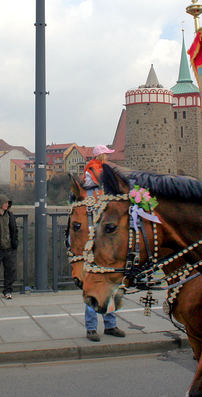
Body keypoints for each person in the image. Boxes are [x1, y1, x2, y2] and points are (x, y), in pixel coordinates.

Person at [82, 145, 127, 342]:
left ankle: (110, 324)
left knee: (110, 284)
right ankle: (92, 328)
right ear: (100, 156)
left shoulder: (100, 174)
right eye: (106, 155)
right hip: (96, 242)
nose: (108, 157)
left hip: (106, 242)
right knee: (94, 285)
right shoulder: (95, 174)